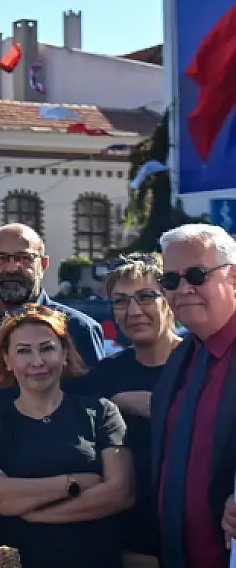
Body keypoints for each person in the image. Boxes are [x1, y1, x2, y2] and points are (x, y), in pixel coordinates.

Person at [0, 305, 133, 568]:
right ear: (7, 360)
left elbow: (120, 492)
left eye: (47, 348)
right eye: (23, 351)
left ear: (64, 353)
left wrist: (32, 511)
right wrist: (74, 483)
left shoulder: (100, 412)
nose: (37, 361)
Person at [85, 254, 179, 568]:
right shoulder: (102, 377)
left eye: (146, 297)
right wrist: (117, 402)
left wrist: (159, 405)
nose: (134, 311)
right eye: (121, 301)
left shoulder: (199, 363)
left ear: (169, 298)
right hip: (126, 544)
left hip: (195, 538)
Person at [154, 224, 236, 568]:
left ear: (233, 277)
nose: (183, 289)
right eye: (171, 280)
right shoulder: (181, 355)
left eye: (197, 275)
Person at [0, 223, 105, 403]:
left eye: (24, 258)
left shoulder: (80, 330)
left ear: (43, 264)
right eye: (1, 258)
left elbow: (97, 409)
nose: (12, 267)